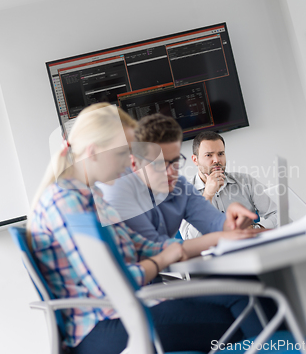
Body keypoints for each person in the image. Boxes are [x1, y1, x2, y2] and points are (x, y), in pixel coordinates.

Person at [27, 103, 264, 354]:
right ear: (94, 152)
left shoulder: (89, 196)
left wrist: (221, 236)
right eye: (123, 154)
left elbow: (143, 247)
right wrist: (163, 258)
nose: (129, 163)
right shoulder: (68, 203)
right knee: (248, 310)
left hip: (128, 310)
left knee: (246, 297)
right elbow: (115, 284)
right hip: (107, 323)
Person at [98, 113, 259, 242]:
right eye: (160, 163)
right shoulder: (116, 195)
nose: (170, 172)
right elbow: (155, 249)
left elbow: (213, 224)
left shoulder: (180, 188)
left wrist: (231, 222)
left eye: (175, 162)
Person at [180, 131, 277, 240]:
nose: (217, 160)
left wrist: (257, 228)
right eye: (209, 155)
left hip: (250, 246)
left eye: (221, 154)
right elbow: (190, 239)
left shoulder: (245, 181)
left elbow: (279, 213)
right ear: (195, 160)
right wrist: (207, 195)